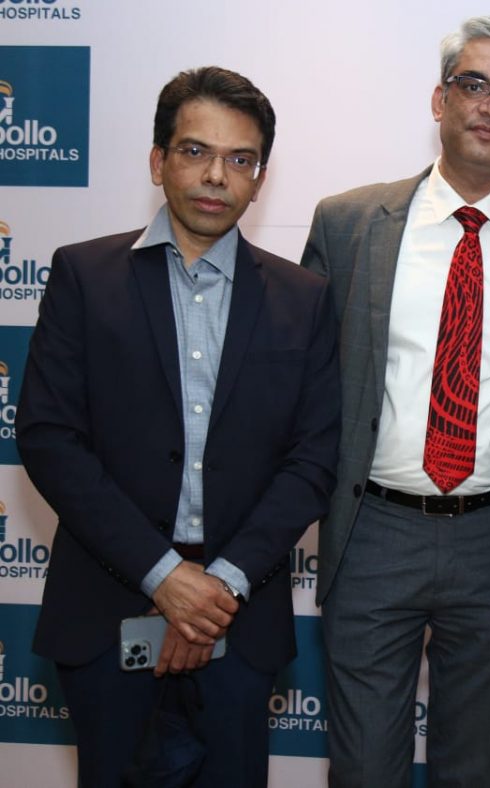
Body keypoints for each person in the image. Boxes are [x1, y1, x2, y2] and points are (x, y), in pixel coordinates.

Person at [300, 15, 490, 786]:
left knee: (472, 771)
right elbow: (304, 387)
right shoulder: (348, 224)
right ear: (440, 100)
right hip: (372, 533)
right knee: (362, 770)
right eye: (474, 84)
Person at [16, 66, 340, 787]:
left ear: (260, 178)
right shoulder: (84, 276)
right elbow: (49, 438)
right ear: (158, 160)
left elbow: (314, 459)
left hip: (240, 619)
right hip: (106, 608)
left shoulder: (304, 298)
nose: (216, 175)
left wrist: (216, 588)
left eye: (240, 159)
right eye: (195, 151)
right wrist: (164, 577)